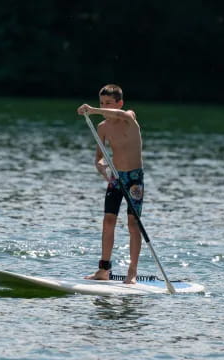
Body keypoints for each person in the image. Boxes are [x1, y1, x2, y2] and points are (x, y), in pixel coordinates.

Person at [77, 84, 144, 284]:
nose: (104, 107)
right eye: (101, 103)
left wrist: (94, 110)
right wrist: (101, 166)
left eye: (108, 104)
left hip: (134, 179)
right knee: (108, 221)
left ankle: (132, 271)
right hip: (116, 178)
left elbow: (123, 114)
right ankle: (103, 270)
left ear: (119, 103)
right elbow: (99, 157)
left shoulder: (129, 118)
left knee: (133, 223)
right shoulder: (102, 128)